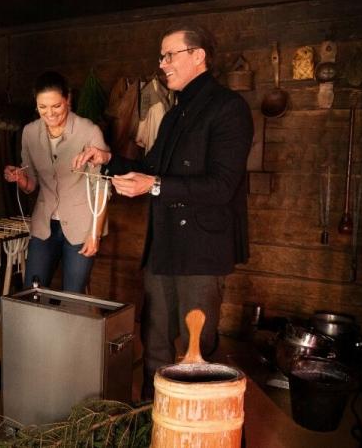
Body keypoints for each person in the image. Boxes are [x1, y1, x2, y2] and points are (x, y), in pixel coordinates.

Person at [73, 24, 253, 400]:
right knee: (153, 341)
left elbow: (221, 186)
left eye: (170, 55)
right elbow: (150, 168)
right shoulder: (174, 116)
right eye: (161, 56)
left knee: (196, 351)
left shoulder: (229, 108)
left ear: (198, 56)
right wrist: (107, 160)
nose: (162, 64)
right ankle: (151, 419)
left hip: (202, 251)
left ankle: (195, 429)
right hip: (164, 246)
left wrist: (153, 186)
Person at [0, 71, 110, 392]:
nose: (50, 114)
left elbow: (102, 189)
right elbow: (33, 184)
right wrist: (19, 178)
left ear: (67, 100)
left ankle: (67, 368)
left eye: (56, 107)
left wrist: (95, 233)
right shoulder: (29, 133)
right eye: (43, 108)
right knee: (31, 294)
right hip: (44, 221)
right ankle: (17, 360)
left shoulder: (88, 130)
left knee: (72, 296)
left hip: (81, 223)